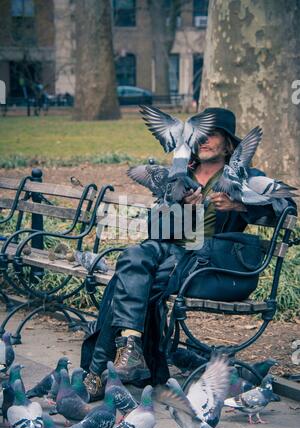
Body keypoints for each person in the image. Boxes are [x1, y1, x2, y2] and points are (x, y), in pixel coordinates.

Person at [81, 107, 294, 401]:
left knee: (127, 283)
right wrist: (181, 207)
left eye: (212, 135)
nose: (203, 140)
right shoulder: (181, 174)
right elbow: (156, 228)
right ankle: (129, 348)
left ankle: (100, 370)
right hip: (171, 250)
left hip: (208, 264)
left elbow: (286, 209)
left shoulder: (242, 175)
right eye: (200, 135)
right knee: (134, 255)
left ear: (228, 143)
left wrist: (240, 206)